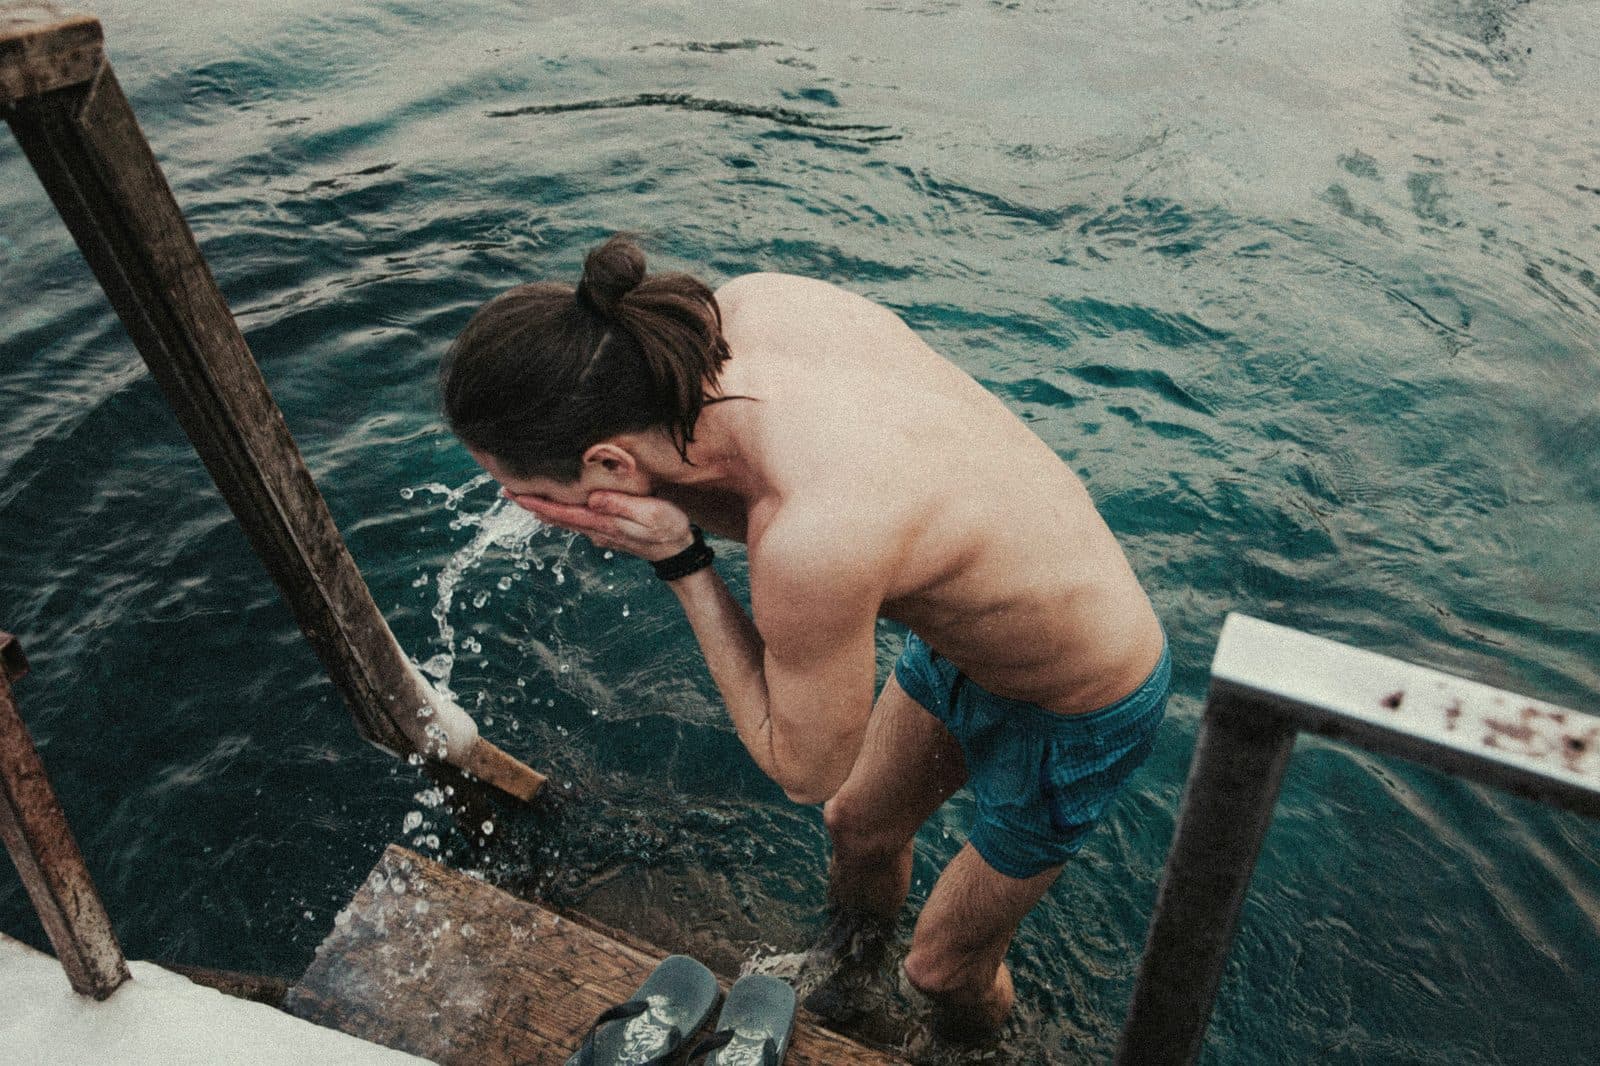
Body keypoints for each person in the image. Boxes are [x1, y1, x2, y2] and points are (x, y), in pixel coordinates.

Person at [440, 234, 1170, 1042]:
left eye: (543, 496)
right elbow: (752, 489)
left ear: (610, 464)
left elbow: (803, 767)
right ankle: (849, 978)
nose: (537, 515)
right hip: (979, 631)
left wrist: (680, 561)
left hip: (1085, 697)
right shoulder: (747, 311)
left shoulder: (812, 533)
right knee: (857, 829)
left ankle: (979, 1053)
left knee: (942, 970)